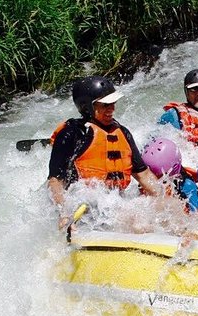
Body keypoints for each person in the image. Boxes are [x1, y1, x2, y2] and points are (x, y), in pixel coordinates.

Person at [47, 76, 158, 226]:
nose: (112, 109)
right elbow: (55, 181)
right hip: (82, 206)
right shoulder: (72, 134)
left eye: (113, 103)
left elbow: (143, 175)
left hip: (114, 202)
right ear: (87, 107)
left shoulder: (122, 132)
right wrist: (63, 213)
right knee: (136, 222)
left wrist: (165, 200)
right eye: (105, 105)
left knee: (146, 215)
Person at [140, 137, 198, 213]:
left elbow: (196, 216)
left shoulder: (187, 186)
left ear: (174, 169)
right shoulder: (145, 181)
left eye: (159, 175)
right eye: (151, 174)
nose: (154, 178)